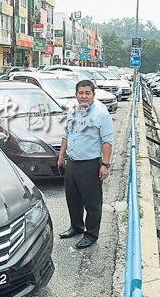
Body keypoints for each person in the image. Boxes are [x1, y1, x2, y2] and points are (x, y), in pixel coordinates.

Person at [57, 79, 113, 249]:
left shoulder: (102, 115)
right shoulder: (73, 112)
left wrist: (105, 165)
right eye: (81, 93)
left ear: (94, 95)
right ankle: (76, 227)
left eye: (87, 93)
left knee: (92, 203)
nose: (84, 96)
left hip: (90, 165)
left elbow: (107, 142)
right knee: (72, 199)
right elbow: (66, 135)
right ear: (76, 95)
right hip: (72, 163)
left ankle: (91, 234)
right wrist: (61, 157)